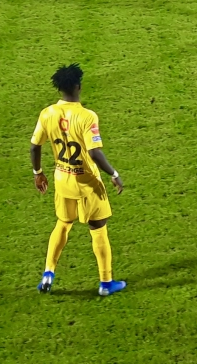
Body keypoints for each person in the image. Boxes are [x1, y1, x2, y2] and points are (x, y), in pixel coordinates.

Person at [30, 63, 127, 297]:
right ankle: (106, 283)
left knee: (62, 224)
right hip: (87, 184)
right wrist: (114, 174)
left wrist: (38, 173)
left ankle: (48, 273)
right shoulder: (87, 116)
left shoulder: (47, 113)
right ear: (78, 86)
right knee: (98, 229)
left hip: (62, 180)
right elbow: (94, 153)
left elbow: (34, 146)